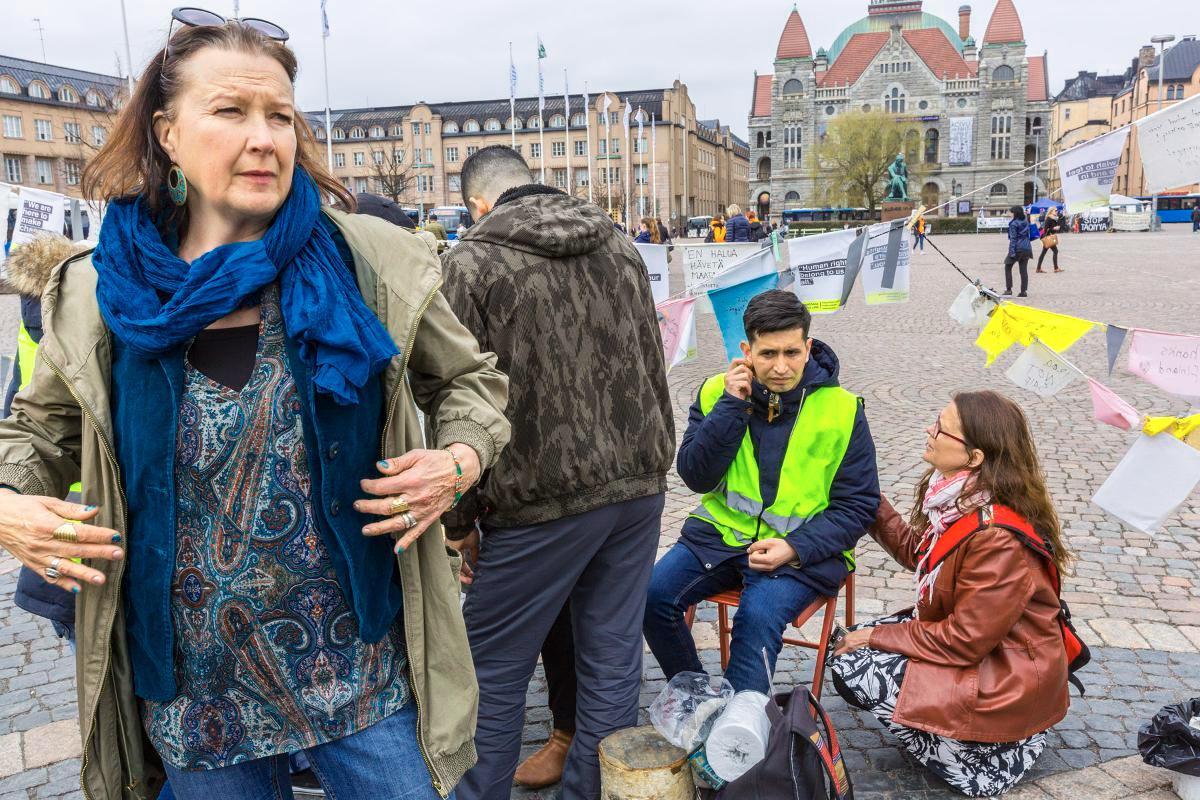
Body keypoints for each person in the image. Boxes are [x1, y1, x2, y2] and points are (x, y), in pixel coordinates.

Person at [0, 13, 510, 799]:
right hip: (193, 693)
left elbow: (471, 382)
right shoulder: (102, 290)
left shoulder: (365, 259)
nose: (265, 137)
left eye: (279, 115)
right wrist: (9, 504)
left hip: (356, 669)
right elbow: (38, 430)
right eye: (231, 112)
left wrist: (458, 460)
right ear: (168, 133)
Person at [441, 145, 675, 800]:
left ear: (477, 205)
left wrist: (460, 523)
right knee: (610, 662)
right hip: (635, 486)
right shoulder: (622, 246)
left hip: (538, 500)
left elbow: (454, 398)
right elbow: (651, 366)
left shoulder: (473, 261)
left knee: (488, 668)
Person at [830, 391, 1071, 797]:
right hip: (987, 648)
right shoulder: (959, 500)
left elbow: (964, 640)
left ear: (974, 457)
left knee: (855, 664)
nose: (930, 430)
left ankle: (985, 755)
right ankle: (960, 731)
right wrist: (867, 497)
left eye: (941, 428)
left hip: (1005, 675)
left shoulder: (996, 537)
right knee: (851, 644)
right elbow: (919, 552)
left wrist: (873, 637)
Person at [643, 290, 879, 695]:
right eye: (768, 354)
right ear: (746, 350)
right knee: (651, 596)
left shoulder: (842, 409)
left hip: (803, 553)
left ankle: (739, 733)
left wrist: (793, 547)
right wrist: (732, 406)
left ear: (808, 347)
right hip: (720, 535)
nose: (782, 367)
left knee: (756, 617)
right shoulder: (717, 392)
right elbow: (696, 476)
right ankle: (697, 700)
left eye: (791, 352)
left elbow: (858, 506)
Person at [2, 235, 85, 650]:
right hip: (75, 534)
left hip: (69, 538)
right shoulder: (83, 296)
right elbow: (38, 423)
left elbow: (16, 404)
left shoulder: (42, 306)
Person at [1004, 205, 1032, 297]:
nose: (1011, 214)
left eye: (1012, 213)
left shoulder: (1014, 223)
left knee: (1008, 266)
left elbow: (1013, 239)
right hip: (1027, 247)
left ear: (1015, 213)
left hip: (1018, 248)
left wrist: (1012, 253)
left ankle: (1009, 289)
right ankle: (1023, 291)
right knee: (1023, 270)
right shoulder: (1026, 221)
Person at [1036, 207, 1063, 274]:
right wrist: (1053, 228)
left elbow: (1059, 226)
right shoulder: (1049, 218)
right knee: (1055, 251)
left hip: (1050, 237)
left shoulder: (1054, 218)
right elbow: (1045, 229)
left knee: (1044, 253)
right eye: (1055, 210)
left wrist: (1056, 226)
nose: (1057, 211)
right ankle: (1055, 268)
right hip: (1048, 237)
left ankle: (1038, 268)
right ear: (1051, 211)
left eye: (1057, 210)